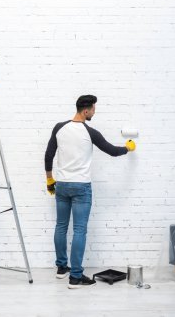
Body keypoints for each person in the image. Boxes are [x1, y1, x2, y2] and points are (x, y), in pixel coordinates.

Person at [44, 95, 136, 289]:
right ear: (85, 110)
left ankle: (62, 268)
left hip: (61, 185)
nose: (94, 112)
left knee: (61, 226)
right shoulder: (90, 132)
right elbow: (111, 150)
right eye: (93, 109)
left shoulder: (59, 127)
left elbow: (48, 155)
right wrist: (127, 148)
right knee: (79, 230)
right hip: (81, 187)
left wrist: (50, 180)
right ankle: (75, 277)